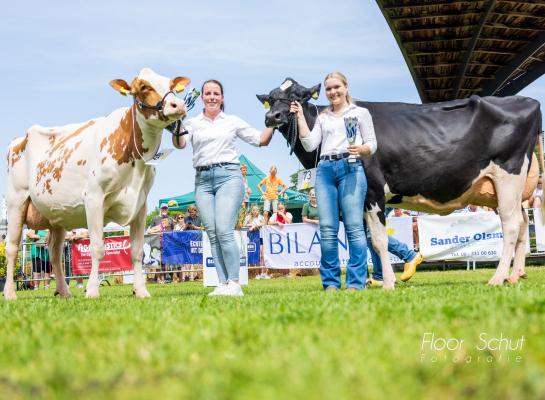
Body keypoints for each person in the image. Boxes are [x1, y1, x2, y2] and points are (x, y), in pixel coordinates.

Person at [172, 79, 274, 296]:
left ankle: (235, 283)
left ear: (222, 97)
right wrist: (178, 121)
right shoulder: (191, 123)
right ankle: (222, 283)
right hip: (202, 180)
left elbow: (260, 140)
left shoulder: (232, 121)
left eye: (215, 93)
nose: (211, 97)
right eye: (207, 93)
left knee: (224, 230)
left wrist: (275, 119)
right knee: (212, 233)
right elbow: (179, 144)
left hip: (229, 176)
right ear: (201, 97)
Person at [290, 71, 377, 291]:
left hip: (351, 167)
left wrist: (362, 149)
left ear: (346, 87)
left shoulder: (360, 113)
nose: (332, 92)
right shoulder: (323, 117)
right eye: (328, 89)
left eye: (336, 87)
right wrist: (300, 116)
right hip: (325, 170)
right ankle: (330, 284)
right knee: (327, 229)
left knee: (354, 228)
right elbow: (310, 145)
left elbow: (372, 143)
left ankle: (356, 283)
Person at [147, 203, 175, 283]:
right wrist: (159, 229)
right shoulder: (155, 218)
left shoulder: (170, 219)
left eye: (165, 209)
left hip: (167, 243)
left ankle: (163, 277)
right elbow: (150, 230)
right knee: (158, 261)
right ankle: (159, 278)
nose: (164, 210)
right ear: (160, 209)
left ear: (167, 210)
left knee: (164, 261)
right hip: (157, 242)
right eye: (163, 208)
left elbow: (173, 230)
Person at [244, 205, 268, 279]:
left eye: (257, 210)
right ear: (252, 210)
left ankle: (263, 273)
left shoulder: (260, 217)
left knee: (262, 255)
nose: (255, 211)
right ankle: (257, 274)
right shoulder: (248, 217)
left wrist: (255, 226)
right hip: (252, 238)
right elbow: (244, 224)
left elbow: (264, 223)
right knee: (256, 256)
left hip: (261, 237)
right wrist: (251, 224)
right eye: (254, 210)